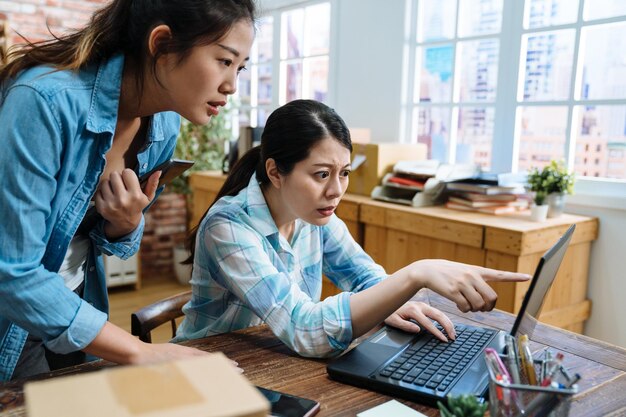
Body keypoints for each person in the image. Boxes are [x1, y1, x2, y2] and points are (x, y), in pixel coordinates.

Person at [0, 0, 256, 381]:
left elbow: (100, 240)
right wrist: (139, 352)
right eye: (223, 61)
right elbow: (13, 273)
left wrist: (125, 223)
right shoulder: (44, 102)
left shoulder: (166, 125)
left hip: (77, 302)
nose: (232, 85)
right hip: (13, 318)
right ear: (162, 44)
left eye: (241, 67)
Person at [174, 99, 531, 357]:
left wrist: (391, 298)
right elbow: (305, 329)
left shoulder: (314, 215)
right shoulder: (229, 227)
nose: (336, 190)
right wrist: (416, 274)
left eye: (343, 172)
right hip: (207, 372)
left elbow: (365, 278)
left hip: (271, 361)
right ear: (274, 172)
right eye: (321, 174)